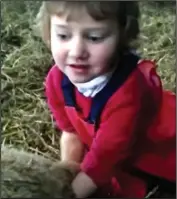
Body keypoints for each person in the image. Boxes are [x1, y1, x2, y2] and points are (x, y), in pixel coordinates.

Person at [35, 1, 176, 198]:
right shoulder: (56, 80)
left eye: (94, 37)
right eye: (63, 35)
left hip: (155, 151)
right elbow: (70, 131)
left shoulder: (129, 93)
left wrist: (69, 194)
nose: (76, 52)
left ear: (122, 36)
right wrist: (67, 175)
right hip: (107, 149)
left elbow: (104, 162)